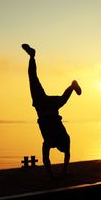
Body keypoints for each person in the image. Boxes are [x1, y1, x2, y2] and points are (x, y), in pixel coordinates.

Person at [22, 44, 81, 178]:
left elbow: (66, 156)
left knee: (63, 98)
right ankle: (32, 56)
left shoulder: (63, 140)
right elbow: (46, 160)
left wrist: (61, 172)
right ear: (59, 146)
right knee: (33, 79)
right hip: (43, 107)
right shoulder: (50, 141)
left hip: (53, 108)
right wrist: (53, 175)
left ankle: (72, 86)